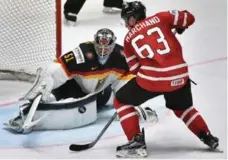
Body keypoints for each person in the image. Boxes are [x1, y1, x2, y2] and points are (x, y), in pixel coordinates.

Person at [113, 1, 219, 158]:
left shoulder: (128, 39)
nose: (127, 25)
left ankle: (136, 143)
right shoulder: (162, 18)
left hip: (152, 80)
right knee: (183, 108)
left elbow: (135, 70)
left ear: (132, 18)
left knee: (120, 100)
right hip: (180, 77)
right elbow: (189, 17)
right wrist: (181, 26)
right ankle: (207, 136)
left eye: (127, 19)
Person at [4, 28, 157, 134]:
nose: (103, 52)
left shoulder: (121, 55)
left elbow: (128, 80)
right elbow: (56, 69)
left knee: (114, 100)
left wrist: (132, 104)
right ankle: (27, 113)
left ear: (114, 44)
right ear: (94, 43)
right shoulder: (81, 53)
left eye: (107, 48)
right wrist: (44, 87)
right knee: (54, 97)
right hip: (73, 88)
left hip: (99, 91)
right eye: (99, 47)